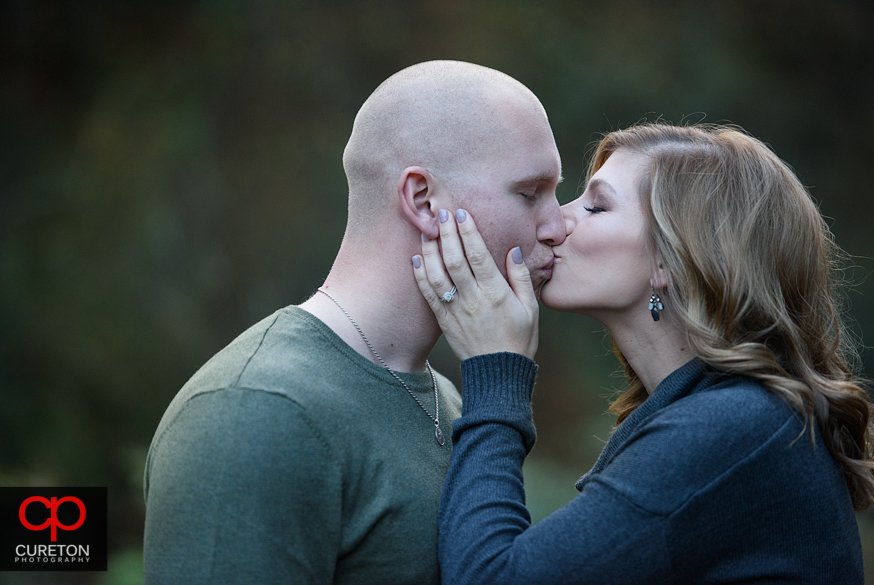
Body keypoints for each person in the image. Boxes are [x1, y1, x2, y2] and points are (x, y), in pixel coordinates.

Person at [141, 60, 566, 584]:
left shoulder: (448, 399)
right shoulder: (257, 410)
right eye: (529, 193)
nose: (559, 225)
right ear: (423, 200)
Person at [413, 123, 874, 584]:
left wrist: (495, 368)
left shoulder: (733, 428)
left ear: (670, 259)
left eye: (595, 206)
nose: (555, 224)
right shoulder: (740, 418)